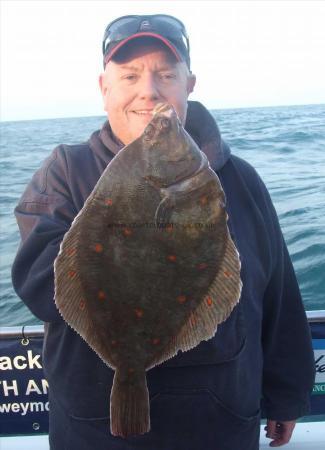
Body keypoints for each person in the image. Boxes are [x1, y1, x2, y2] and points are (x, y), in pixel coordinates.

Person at [12, 14, 315, 450]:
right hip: (95, 426)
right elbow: (40, 287)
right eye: (130, 75)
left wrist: (287, 392)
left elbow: (278, 293)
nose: (149, 91)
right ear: (104, 88)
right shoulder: (65, 171)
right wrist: (115, 228)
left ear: (189, 83)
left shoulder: (241, 179)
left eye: (166, 74)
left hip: (220, 420)